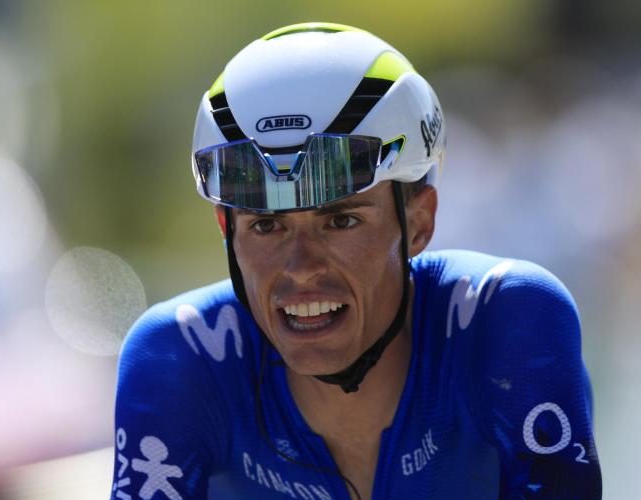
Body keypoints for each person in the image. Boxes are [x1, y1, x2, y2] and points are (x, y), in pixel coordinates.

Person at [110, 22, 602, 500]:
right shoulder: (179, 358)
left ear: (420, 222)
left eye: (340, 220)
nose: (301, 267)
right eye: (267, 225)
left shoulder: (507, 317)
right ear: (227, 231)